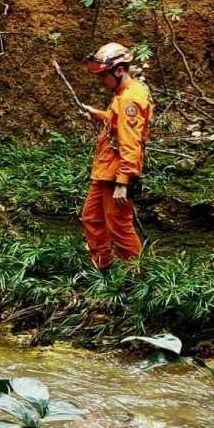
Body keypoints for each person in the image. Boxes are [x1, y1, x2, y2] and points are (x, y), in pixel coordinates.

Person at [79, 42, 153, 270]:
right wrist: (100, 115)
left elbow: (131, 142)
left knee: (119, 229)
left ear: (119, 70)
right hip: (105, 170)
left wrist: (123, 182)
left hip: (116, 173)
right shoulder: (124, 93)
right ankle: (104, 268)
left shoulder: (131, 98)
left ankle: (138, 276)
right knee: (92, 218)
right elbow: (117, 121)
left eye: (104, 76)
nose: (101, 82)